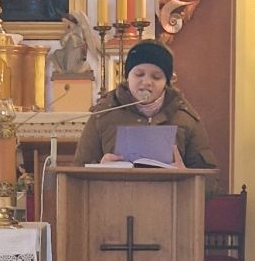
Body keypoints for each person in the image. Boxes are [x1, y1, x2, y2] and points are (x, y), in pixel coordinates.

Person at [74, 40, 218, 181]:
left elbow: (211, 183)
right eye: (139, 74)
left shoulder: (185, 117)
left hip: (170, 196)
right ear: (127, 76)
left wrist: (186, 176)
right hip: (115, 196)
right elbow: (78, 176)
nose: (147, 82)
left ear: (166, 82)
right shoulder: (103, 114)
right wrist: (99, 170)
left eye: (156, 77)